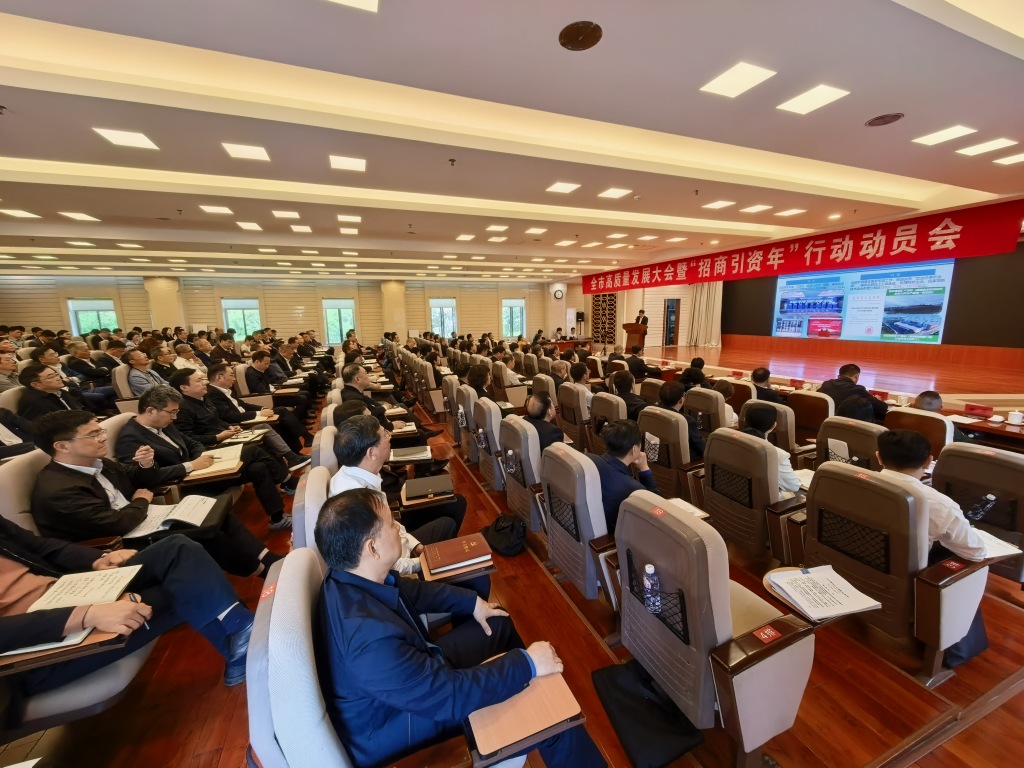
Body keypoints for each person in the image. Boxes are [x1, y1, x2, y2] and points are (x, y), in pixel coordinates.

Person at [313, 488, 605, 768]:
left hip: (414, 682)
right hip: (410, 731)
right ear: (372, 547)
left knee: (497, 624)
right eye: (391, 524)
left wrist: (473, 604)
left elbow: (412, 592)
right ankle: (528, 700)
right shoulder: (368, 643)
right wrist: (526, 664)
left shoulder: (347, 577)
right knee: (556, 719)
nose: (397, 526)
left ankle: (523, 689)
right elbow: (450, 696)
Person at [0, 517, 256, 695]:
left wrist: (97, 558)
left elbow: (38, 545)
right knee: (182, 585)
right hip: (31, 648)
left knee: (176, 548)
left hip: (66, 592)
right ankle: (247, 645)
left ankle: (242, 637)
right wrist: (85, 615)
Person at [30, 410, 282, 578]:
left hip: (141, 518)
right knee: (207, 531)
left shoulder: (98, 462)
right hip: (118, 543)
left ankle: (267, 559)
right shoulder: (59, 490)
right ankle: (261, 571)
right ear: (62, 446)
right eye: (94, 434)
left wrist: (145, 464)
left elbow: (137, 477)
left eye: (101, 431)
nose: (103, 438)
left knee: (215, 509)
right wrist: (141, 500)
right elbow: (116, 524)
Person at [325, 415, 487, 598]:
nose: (390, 436)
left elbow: (393, 524)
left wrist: (415, 545)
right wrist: (422, 562)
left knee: (448, 521)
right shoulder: (355, 502)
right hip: (396, 577)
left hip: (399, 547)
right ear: (372, 452)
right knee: (479, 579)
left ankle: (448, 573)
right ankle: (446, 579)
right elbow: (387, 566)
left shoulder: (357, 473)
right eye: (385, 434)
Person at [876, 429, 988, 666]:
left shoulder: (857, 482)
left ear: (878, 457)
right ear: (928, 461)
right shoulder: (937, 503)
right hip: (906, 579)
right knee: (970, 560)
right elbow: (975, 552)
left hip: (867, 564)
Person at [114, 385, 295, 530]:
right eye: (172, 412)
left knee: (258, 468)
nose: (175, 417)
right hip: (183, 484)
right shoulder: (131, 437)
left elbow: (193, 443)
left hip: (200, 473)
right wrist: (191, 466)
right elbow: (144, 479)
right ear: (151, 410)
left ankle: (277, 518)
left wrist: (200, 460)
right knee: (252, 450)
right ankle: (288, 480)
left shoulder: (164, 424)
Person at [169, 368, 310, 471]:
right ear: (184, 387)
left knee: (265, 428)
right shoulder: (182, 408)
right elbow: (187, 438)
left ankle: (292, 459)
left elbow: (217, 419)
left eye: (203, 379)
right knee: (262, 443)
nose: (204, 383)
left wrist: (228, 427)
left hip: (227, 433)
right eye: (199, 380)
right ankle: (289, 469)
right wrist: (217, 437)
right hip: (215, 443)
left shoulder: (203, 399)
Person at [204, 363, 313, 450]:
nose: (234, 379)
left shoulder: (226, 389)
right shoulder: (212, 394)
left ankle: (299, 448)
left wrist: (262, 408)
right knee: (281, 414)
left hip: (247, 417)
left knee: (281, 413)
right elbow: (230, 416)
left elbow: (243, 404)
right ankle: (305, 439)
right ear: (220, 377)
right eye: (231, 375)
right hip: (240, 424)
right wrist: (259, 413)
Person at [587, 419, 660, 532]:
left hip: (589, 525)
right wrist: (645, 469)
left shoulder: (589, 459)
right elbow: (656, 508)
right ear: (634, 449)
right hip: (611, 537)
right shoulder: (632, 488)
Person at [740, 403, 801, 496]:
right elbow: (793, 486)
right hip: (766, 502)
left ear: (745, 420)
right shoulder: (777, 454)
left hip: (736, 496)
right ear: (774, 425)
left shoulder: (729, 441)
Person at [245, 350, 311, 419]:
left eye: (268, 364)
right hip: (268, 399)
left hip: (273, 393)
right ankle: (297, 420)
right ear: (257, 362)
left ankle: (303, 416)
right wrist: (279, 392)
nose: (267, 366)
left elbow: (270, 383)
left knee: (304, 393)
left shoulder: (260, 370)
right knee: (302, 399)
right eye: (266, 364)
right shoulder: (252, 374)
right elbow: (262, 391)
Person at [17, 363, 88, 420]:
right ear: (35, 384)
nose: (58, 378)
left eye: (56, 375)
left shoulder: (61, 392)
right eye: (51, 377)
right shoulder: (33, 402)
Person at [655, 380, 705, 460]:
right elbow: (702, 447)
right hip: (684, 461)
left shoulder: (653, 412)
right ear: (681, 399)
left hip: (661, 456)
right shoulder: (686, 420)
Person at [818, 364, 887, 421]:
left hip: (824, 422)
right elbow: (883, 407)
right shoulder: (858, 389)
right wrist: (875, 399)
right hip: (846, 426)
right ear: (856, 376)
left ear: (839, 376)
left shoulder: (826, 384)